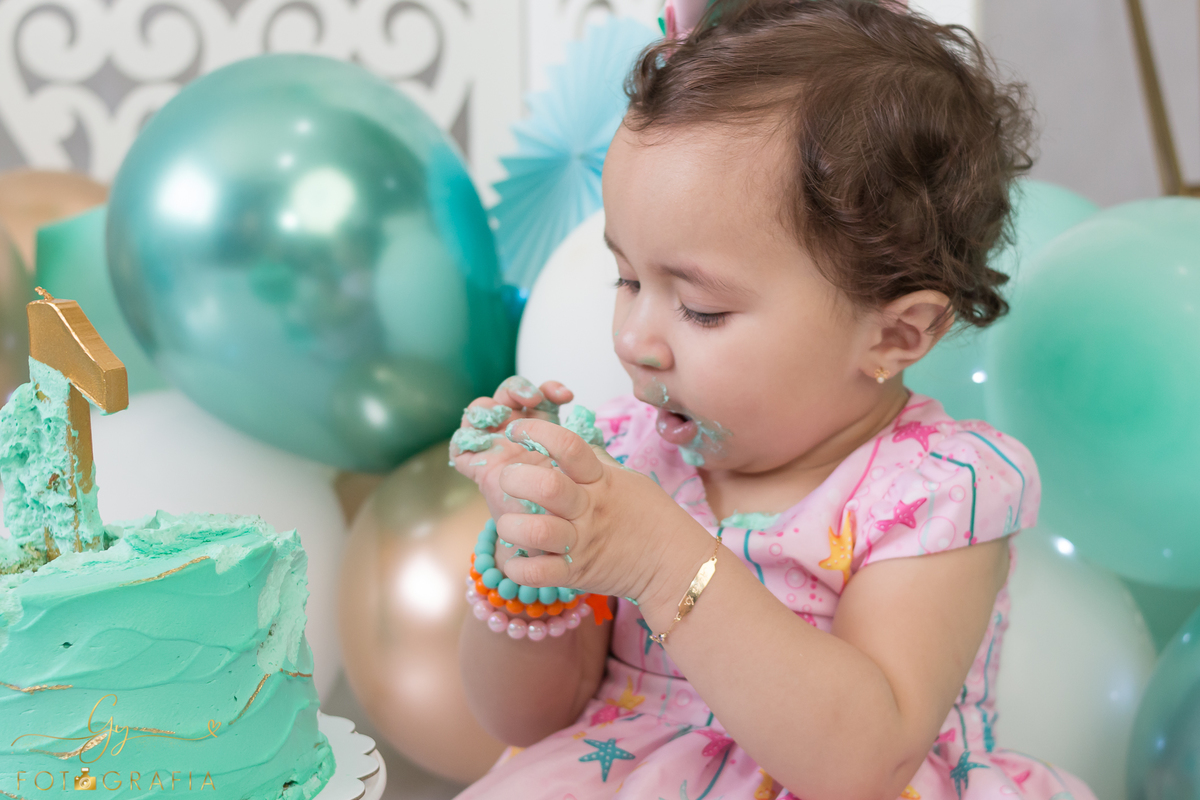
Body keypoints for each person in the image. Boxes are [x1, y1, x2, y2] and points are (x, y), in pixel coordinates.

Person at [449, 1, 1097, 797]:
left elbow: (861, 760)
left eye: (702, 308)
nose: (633, 340)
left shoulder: (935, 491)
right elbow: (524, 721)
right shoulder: (626, 462)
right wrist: (532, 557)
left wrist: (658, 555)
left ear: (895, 335)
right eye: (627, 279)